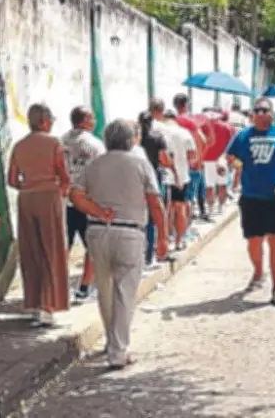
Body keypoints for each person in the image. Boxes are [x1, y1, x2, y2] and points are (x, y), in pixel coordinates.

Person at [69, 119, 169, 369]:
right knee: (125, 291)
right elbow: (155, 202)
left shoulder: (94, 164)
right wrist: (164, 237)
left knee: (104, 289)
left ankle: (111, 341)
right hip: (130, 232)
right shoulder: (140, 164)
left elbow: (75, 195)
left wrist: (98, 211)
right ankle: (118, 350)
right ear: (131, 139)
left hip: (98, 232)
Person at [225, 97, 275, 309]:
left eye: (264, 110)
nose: (260, 113)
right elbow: (230, 156)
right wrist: (234, 165)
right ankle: (258, 271)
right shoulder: (243, 136)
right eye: (256, 110)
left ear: (271, 114)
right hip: (251, 196)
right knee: (254, 241)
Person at [7, 103, 71, 327]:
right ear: (44, 121)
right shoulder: (53, 143)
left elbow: (12, 180)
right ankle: (48, 306)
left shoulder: (19, 146)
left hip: (26, 198)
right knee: (51, 249)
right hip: (48, 196)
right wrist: (60, 190)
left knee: (31, 250)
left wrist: (28, 184)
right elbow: (63, 174)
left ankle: (33, 304)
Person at [61, 106, 106, 304]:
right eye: (93, 117)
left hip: (64, 201)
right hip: (88, 201)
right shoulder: (95, 145)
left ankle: (60, 290)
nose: (95, 121)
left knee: (64, 246)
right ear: (86, 120)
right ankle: (84, 288)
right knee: (94, 246)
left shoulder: (60, 141)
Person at [138, 104, 174, 268]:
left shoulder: (135, 140)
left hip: (136, 179)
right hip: (154, 178)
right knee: (154, 216)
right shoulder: (157, 136)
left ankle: (140, 255)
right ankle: (149, 257)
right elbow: (164, 159)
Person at [159, 110, 197, 251]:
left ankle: (166, 240)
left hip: (164, 176)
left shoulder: (160, 131)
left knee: (165, 211)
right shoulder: (184, 133)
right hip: (181, 176)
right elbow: (192, 156)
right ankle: (179, 241)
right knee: (180, 207)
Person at [173, 93, 209, 221]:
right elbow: (203, 141)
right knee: (188, 200)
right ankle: (186, 229)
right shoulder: (191, 121)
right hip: (192, 164)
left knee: (175, 201)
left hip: (175, 165)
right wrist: (199, 159)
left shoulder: (173, 121)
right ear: (187, 104)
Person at [202, 111, 236, 214]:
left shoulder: (204, 127)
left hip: (207, 158)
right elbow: (232, 144)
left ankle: (210, 208)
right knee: (223, 184)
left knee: (209, 185)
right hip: (222, 159)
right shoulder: (227, 127)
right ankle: (221, 207)